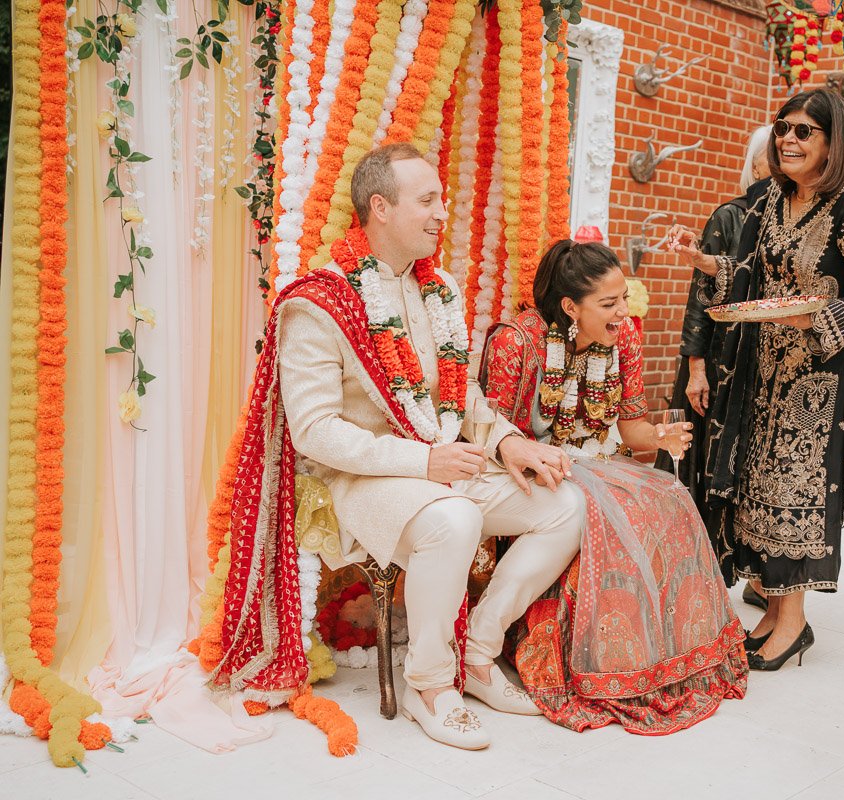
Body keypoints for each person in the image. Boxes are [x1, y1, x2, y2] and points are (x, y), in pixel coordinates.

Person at [211, 143, 587, 751]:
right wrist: (424, 461)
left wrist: (510, 442)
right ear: (379, 208)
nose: (442, 212)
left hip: (441, 463)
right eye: (429, 200)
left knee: (563, 506)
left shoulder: (438, 289)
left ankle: (480, 655)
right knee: (455, 516)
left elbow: (461, 396)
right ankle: (431, 686)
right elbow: (315, 431)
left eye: (441, 199)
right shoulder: (318, 302)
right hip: (360, 480)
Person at [479, 240, 748, 735]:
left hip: (598, 461)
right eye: (609, 304)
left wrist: (661, 437)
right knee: (597, 510)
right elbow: (501, 437)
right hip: (531, 470)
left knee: (669, 498)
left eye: (623, 298)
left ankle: (656, 655)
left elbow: (633, 431)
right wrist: (548, 460)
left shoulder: (623, 340)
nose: (623, 312)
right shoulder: (518, 342)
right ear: (569, 307)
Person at [667, 87, 844, 671]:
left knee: (795, 499)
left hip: (816, 381)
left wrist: (810, 317)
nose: (787, 140)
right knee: (758, 492)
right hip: (758, 371)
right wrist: (705, 264)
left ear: (832, 140)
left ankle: (794, 620)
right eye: (782, 128)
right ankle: (772, 614)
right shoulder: (768, 199)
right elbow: (745, 276)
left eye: (803, 131)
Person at [658, 124, 773, 611]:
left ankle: (755, 574)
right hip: (715, 365)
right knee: (701, 467)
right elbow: (698, 298)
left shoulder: (791, 223)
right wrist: (697, 367)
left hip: (760, 368)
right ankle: (686, 572)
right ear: (757, 163)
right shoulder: (730, 215)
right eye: (772, 153)